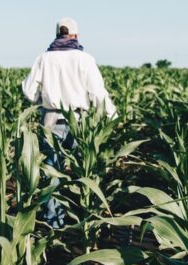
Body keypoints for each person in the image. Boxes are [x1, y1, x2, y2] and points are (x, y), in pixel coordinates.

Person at [22, 17, 117, 228]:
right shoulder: (84, 59)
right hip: (79, 123)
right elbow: (97, 93)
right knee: (83, 173)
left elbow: (29, 91)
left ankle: (53, 224)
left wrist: (43, 100)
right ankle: (82, 223)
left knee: (52, 173)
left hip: (51, 121)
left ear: (57, 34)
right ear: (75, 35)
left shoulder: (43, 59)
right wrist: (112, 117)